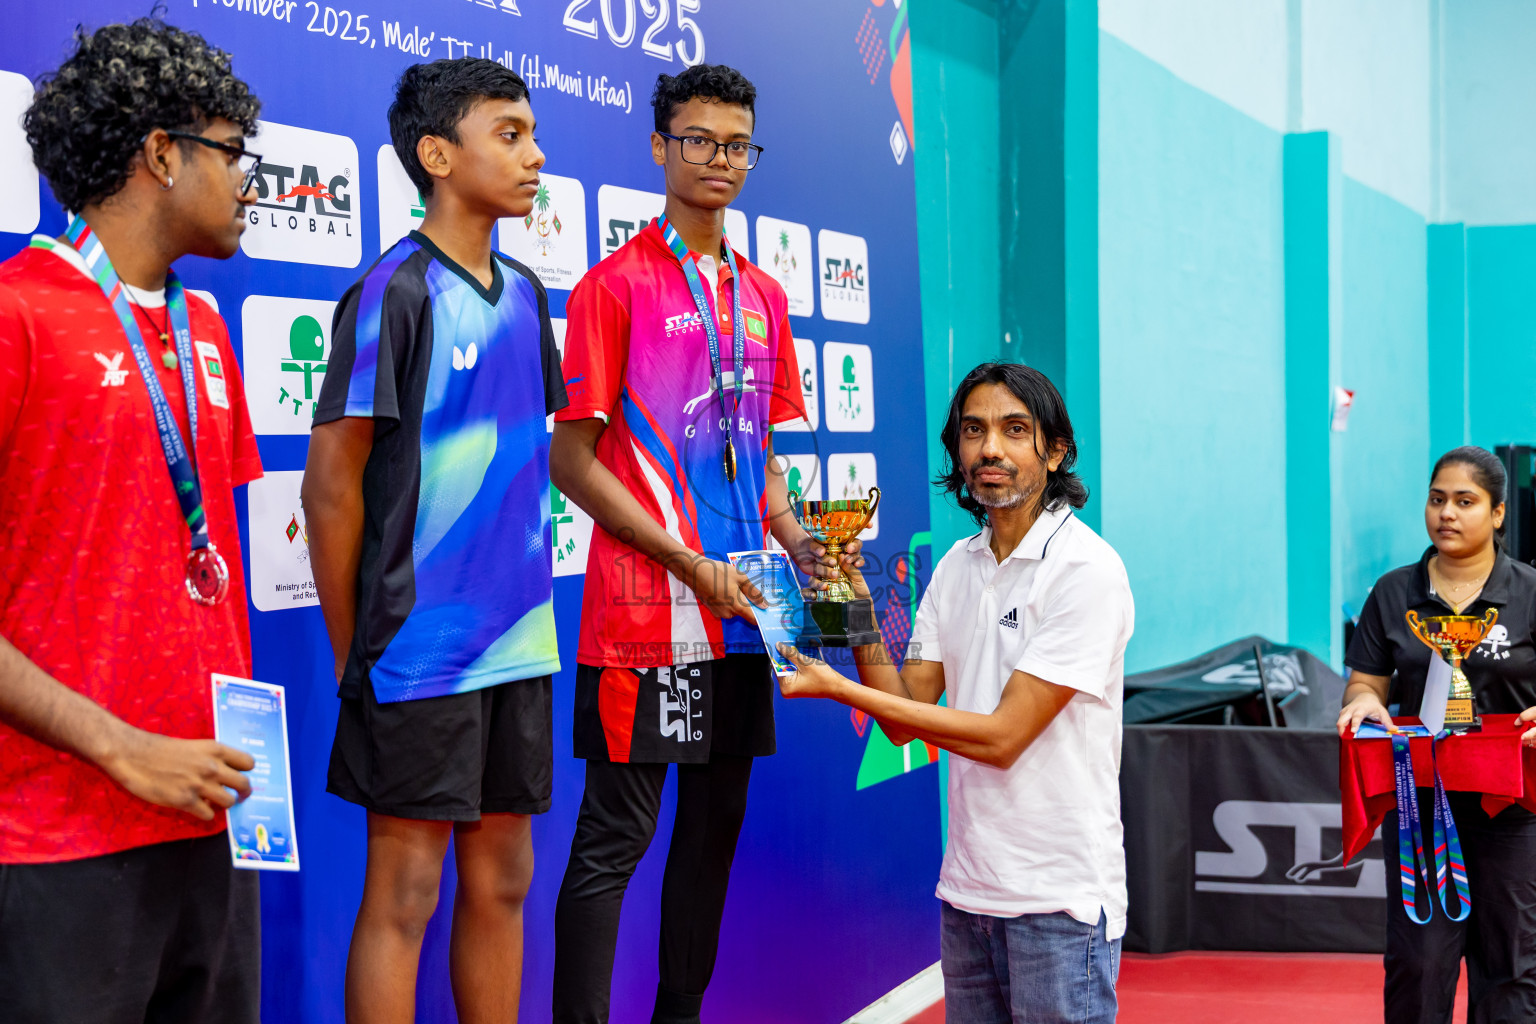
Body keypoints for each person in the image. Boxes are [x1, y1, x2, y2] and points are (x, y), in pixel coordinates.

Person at [549, 64, 832, 1024]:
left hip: (744, 618)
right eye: (700, 140)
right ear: (662, 147)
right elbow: (571, 462)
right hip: (649, 624)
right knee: (614, 845)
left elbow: (761, 462)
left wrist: (797, 542)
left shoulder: (764, 296)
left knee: (712, 838)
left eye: (738, 143)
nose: (721, 159)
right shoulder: (614, 287)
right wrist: (683, 561)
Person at [0, 18, 265, 1024]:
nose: (252, 180)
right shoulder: (17, 313)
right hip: (63, 841)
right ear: (162, 153)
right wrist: (117, 746)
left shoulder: (203, 326)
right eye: (234, 152)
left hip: (216, 819)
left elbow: (205, 564)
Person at [301, 58, 564, 1023]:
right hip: (416, 655)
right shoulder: (392, 291)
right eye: (510, 134)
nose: (536, 156)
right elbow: (331, 491)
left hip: (520, 645)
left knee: (503, 881)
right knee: (405, 893)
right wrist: (355, 653)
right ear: (437, 154)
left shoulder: (530, 292)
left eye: (533, 133)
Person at [778, 362, 1133, 1024]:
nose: (989, 448)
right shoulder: (956, 567)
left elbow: (1001, 738)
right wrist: (849, 592)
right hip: (968, 897)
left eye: (1013, 430)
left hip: (1059, 902)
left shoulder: (1087, 573)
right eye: (974, 430)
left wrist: (838, 690)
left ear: (1054, 452)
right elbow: (907, 709)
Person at [1337, 446, 1536, 1024]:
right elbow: (1363, 686)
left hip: (1514, 810)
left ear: (1498, 513)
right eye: (1437, 499)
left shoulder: (1529, 593)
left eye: (1465, 502)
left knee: (1513, 966)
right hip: (1420, 807)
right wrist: (1365, 705)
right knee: (1417, 963)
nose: (1447, 513)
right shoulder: (1394, 593)